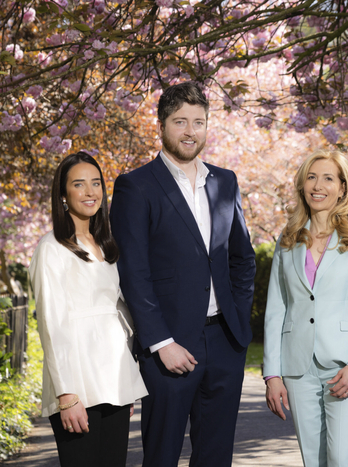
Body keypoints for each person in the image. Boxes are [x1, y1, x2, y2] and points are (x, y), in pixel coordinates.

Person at [109, 81, 256, 467]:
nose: (190, 131)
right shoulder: (135, 186)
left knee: (215, 456)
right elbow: (133, 271)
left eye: (199, 122)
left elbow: (242, 259)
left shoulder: (226, 182)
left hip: (225, 341)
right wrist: (160, 342)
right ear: (161, 125)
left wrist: (237, 316)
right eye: (180, 122)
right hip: (170, 347)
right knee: (162, 455)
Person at [263, 149, 348, 467]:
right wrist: (272, 374)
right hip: (298, 368)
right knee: (315, 461)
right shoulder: (288, 238)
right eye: (311, 177)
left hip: (346, 366)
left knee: (341, 460)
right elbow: (276, 308)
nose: (318, 185)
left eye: (328, 178)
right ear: (302, 185)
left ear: (343, 187)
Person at [29, 151, 148, 467]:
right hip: (78, 387)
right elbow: (52, 327)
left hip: (114, 381)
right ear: (63, 195)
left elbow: (119, 316)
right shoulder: (51, 249)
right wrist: (67, 395)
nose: (90, 191)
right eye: (79, 184)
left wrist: (124, 382)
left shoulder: (107, 247)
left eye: (96, 183)